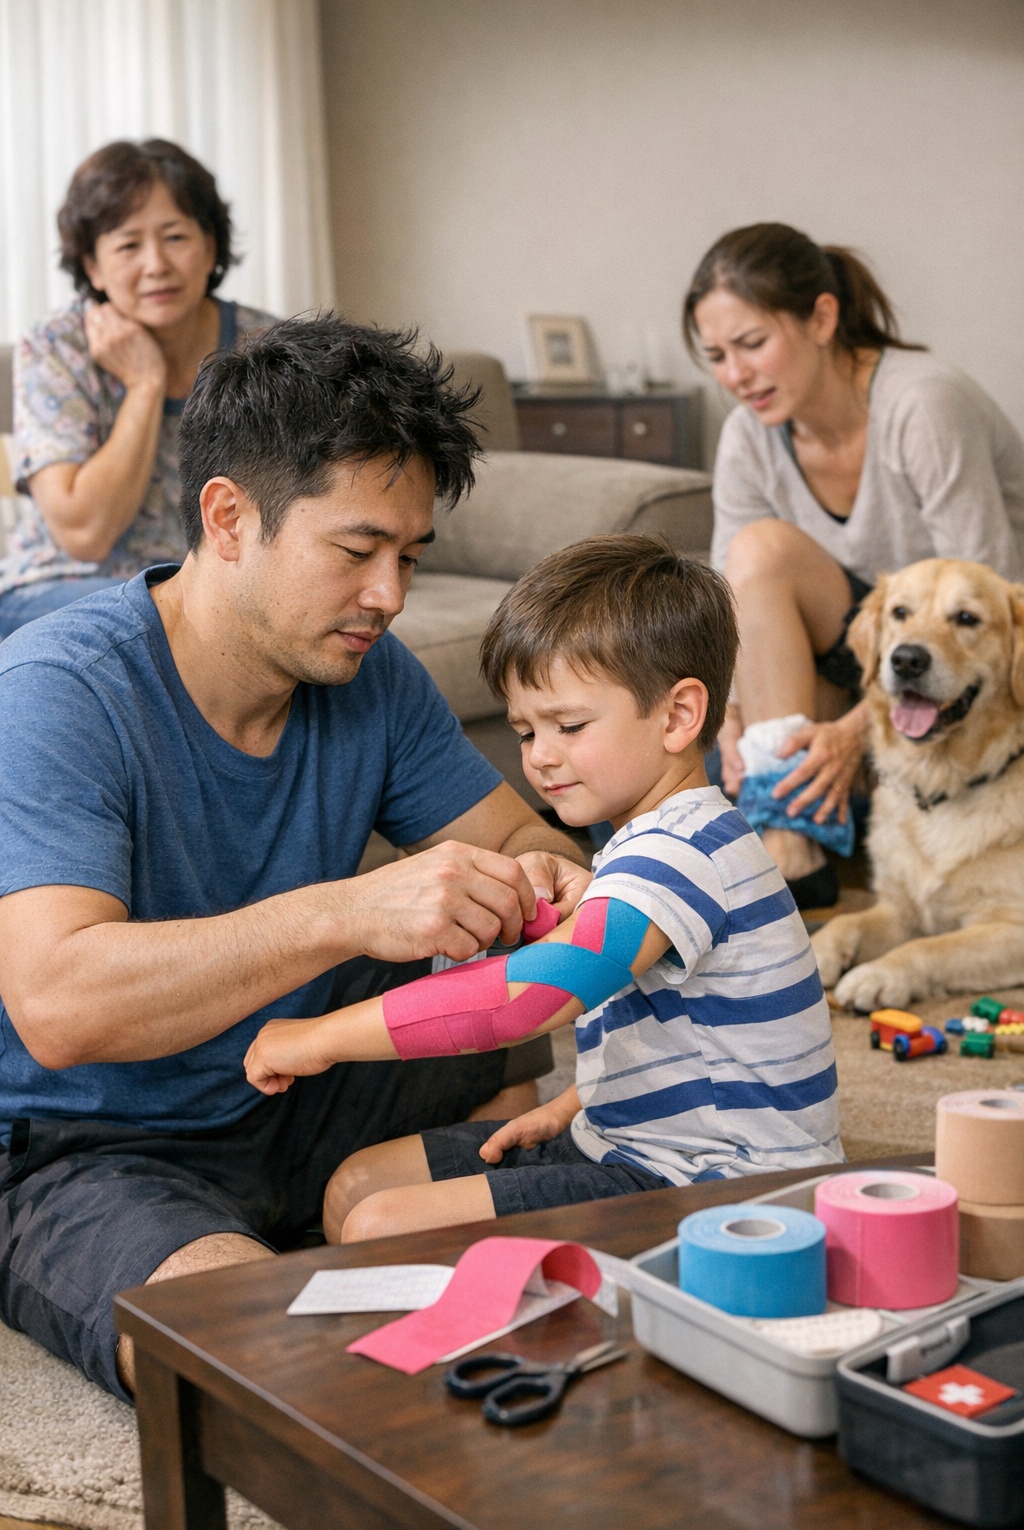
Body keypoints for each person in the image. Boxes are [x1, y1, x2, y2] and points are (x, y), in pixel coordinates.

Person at [0, 313, 589, 1400]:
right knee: (264, 1361)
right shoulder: (58, 692)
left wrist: (547, 878)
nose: (390, 596)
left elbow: (520, 841)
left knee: (509, 1015)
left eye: (407, 556)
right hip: (89, 1137)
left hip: (297, 1067)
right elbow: (59, 1001)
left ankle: (386, 1196)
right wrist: (347, 911)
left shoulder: (373, 675)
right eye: (357, 551)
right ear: (229, 518)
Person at [245, 536, 843, 1241]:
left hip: (726, 1189)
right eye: (526, 731)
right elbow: (688, 1036)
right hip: (637, 1144)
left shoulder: (682, 853)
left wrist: (321, 1037)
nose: (541, 757)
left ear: (680, 716)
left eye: (570, 725)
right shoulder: (653, 840)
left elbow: (536, 994)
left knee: (382, 1225)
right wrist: (583, 1104)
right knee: (357, 1185)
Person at [683, 222, 1024, 907]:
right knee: (688, 718)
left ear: (822, 317)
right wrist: (732, 718)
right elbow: (731, 606)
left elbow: (989, 600)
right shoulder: (749, 434)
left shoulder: (923, 403)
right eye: (717, 354)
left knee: (764, 552)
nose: (735, 375)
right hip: (864, 657)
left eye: (752, 344)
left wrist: (854, 733)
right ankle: (793, 851)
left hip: (968, 665)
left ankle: (787, 842)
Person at [0, 137, 275, 636]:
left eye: (175, 237)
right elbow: (85, 533)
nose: (155, 265)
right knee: (155, 622)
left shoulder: (266, 347)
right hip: (61, 584)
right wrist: (146, 384)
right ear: (92, 266)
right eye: (128, 245)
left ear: (210, 244)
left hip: (212, 584)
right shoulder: (56, 345)